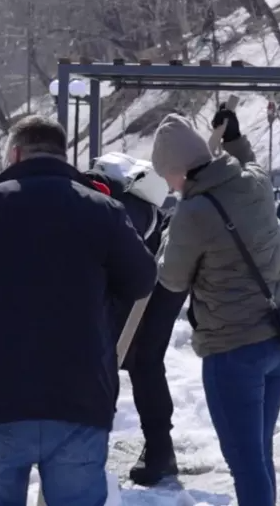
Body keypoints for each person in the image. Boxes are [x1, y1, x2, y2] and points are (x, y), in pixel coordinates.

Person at [0, 116, 155, 506]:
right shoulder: (103, 210)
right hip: (78, 396)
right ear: (64, 155)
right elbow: (142, 279)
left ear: (15, 154)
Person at [153, 106, 280, 506]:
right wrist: (234, 140)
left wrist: (166, 238)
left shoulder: (193, 212)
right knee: (259, 454)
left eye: (167, 175)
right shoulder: (256, 183)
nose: (169, 185)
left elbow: (172, 278)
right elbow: (249, 163)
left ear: (178, 170)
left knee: (245, 464)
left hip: (234, 348)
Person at [83, 152, 183, 486]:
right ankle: (93, 449)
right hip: (132, 277)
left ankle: (158, 450)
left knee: (140, 362)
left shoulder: (118, 207)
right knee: (109, 362)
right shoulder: (96, 196)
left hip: (155, 281)